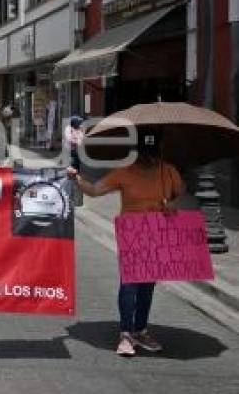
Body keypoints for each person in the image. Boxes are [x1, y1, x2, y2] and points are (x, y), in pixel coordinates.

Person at [67, 128, 184, 357]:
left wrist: (174, 203)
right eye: (144, 153)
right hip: (131, 234)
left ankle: (140, 329)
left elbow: (181, 191)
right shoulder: (124, 173)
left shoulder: (168, 171)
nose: (149, 159)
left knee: (148, 284)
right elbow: (93, 190)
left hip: (157, 234)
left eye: (153, 153)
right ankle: (126, 333)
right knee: (130, 283)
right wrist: (76, 178)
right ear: (137, 152)